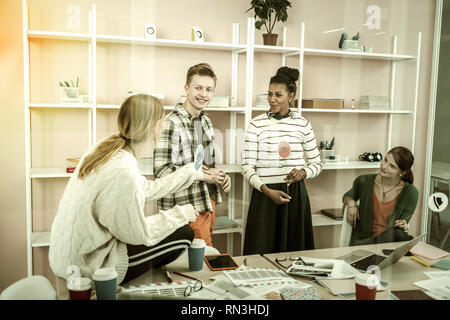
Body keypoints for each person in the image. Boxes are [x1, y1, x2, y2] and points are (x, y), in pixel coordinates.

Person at [49, 94, 207, 285]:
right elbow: (137, 234)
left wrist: (191, 172)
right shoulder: (124, 172)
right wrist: (182, 214)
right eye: (161, 123)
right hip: (88, 267)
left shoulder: (104, 149)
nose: (163, 128)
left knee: (175, 229)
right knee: (185, 234)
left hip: (66, 258)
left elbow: (143, 189)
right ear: (151, 128)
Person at [242, 66, 323, 255]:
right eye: (269, 94)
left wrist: (303, 172)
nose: (272, 99)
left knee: (295, 255)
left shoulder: (302, 124)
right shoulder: (256, 124)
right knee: (260, 254)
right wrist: (266, 190)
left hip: (294, 195)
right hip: (264, 195)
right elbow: (246, 166)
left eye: (278, 95)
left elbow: (317, 164)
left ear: (291, 97)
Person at [154, 63, 231, 247]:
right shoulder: (170, 123)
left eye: (209, 89)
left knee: (201, 263)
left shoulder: (206, 122)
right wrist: (203, 176)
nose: (204, 94)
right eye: (198, 88)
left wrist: (219, 176)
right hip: (186, 207)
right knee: (200, 263)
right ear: (186, 88)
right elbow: (161, 171)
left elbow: (205, 165)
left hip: (208, 202)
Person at [343, 146, 419, 246]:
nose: (384, 166)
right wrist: (351, 204)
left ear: (402, 172)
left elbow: (401, 225)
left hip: (389, 246)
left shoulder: (411, 192)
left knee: (398, 234)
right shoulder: (363, 180)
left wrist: (403, 224)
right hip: (362, 245)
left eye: (392, 166)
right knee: (399, 236)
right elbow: (347, 196)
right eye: (385, 160)